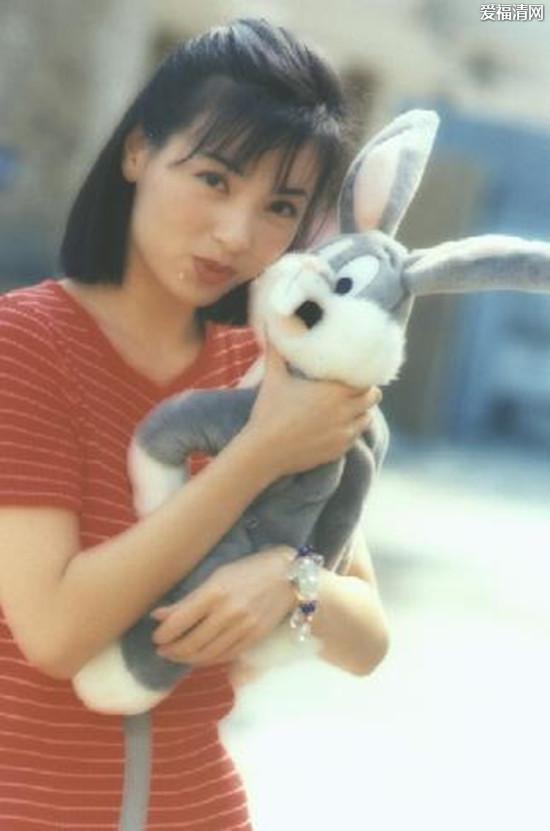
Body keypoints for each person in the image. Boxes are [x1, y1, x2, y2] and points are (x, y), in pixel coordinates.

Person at [0, 18, 389, 830]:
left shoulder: (271, 366)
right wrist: (262, 450)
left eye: (280, 206)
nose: (237, 233)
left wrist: (291, 580)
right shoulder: (25, 346)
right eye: (214, 178)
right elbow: (56, 631)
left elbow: (367, 640)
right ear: (139, 151)